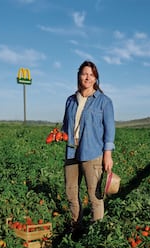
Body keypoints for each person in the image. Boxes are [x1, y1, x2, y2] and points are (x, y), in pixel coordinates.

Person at [61, 60, 115, 236]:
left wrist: (108, 155)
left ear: (96, 78)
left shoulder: (104, 102)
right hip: (72, 150)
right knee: (71, 192)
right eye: (85, 73)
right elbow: (66, 126)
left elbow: (109, 130)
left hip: (93, 152)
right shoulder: (70, 100)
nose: (87, 77)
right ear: (79, 76)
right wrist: (59, 135)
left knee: (95, 196)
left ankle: (96, 232)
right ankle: (76, 226)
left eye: (91, 74)